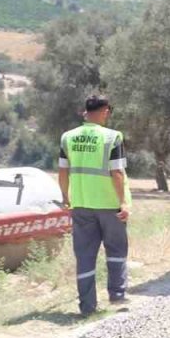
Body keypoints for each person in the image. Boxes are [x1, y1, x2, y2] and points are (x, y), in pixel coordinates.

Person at [58, 95, 133, 316]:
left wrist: (65, 197)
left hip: (80, 204)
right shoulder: (112, 137)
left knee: (84, 255)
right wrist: (123, 203)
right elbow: (117, 172)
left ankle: (87, 307)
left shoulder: (68, 138)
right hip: (109, 204)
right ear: (105, 111)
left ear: (85, 112)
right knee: (117, 249)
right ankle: (117, 295)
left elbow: (63, 171)